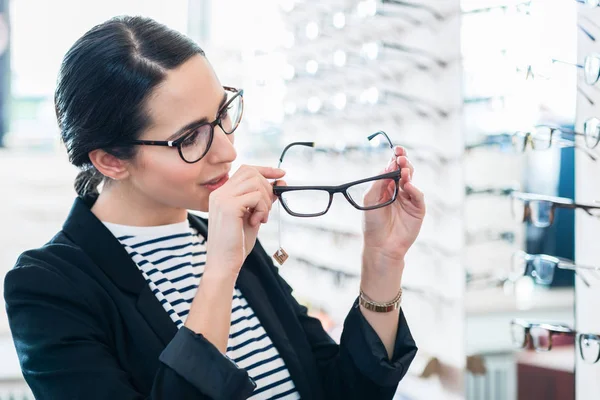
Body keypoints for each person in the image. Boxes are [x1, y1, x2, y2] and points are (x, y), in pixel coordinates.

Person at [4, 16, 425, 400]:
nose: (227, 149)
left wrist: (381, 262)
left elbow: (345, 392)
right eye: (190, 138)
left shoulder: (224, 237)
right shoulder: (48, 288)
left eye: (223, 115)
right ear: (111, 160)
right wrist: (220, 271)